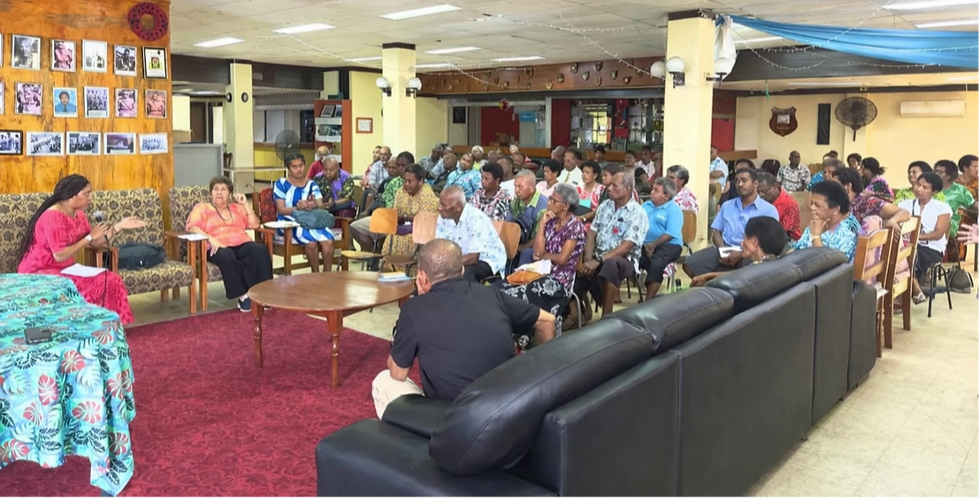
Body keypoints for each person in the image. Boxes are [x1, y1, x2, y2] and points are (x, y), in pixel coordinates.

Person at [371, 239, 556, 418]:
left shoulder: (415, 308)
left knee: (384, 380)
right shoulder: (493, 294)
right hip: (506, 410)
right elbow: (548, 321)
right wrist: (542, 379)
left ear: (422, 277)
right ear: (461, 269)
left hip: (455, 422)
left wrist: (416, 308)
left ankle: (419, 440)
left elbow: (398, 372)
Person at [17, 175, 145, 323]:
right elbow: (60, 255)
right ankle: (89, 325)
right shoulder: (52, 217)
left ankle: (109, 324)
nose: (90, 198)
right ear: (71, 195)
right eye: (87, 193)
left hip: (66, 268)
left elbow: (95, 243)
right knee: (92, 284)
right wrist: (89, 237)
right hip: (39, 270)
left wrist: (118, 227)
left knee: (110, 279)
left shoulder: (79, 214)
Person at [497, 183, 585, 346]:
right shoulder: (550, 222)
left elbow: (562, 259)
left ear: (565, 206)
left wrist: (544, 255)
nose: (548, 202)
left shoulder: (575, 226)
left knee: (522, 292)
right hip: (540, 272)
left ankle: (522, 341)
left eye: (553, 200)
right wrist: (543, 224)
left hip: (560, 280)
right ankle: (508, 338)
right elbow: (537, 251)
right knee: (504, 287)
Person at [185, 176, 273, 312]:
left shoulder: (237, 208)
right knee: (227, 256)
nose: (219, 192)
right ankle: (242, 295)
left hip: (241, 242)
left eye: (223, 189)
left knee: (260, 250)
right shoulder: (202, 208)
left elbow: (255, 224)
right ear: (210, 193)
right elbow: (192, 227)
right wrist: (211, 239)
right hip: (216, 247)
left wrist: (245, 205)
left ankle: (264, 293)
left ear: (230, 194)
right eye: (216, 189)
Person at [683, 168, 780, 278]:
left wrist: (740, 254)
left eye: (744, 180)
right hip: (725, 248)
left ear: (755, 183)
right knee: (691, 263)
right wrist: (723, 250)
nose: (740, 184)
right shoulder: (727, 205)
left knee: (749, 272)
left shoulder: (768, 210)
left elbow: (768, 241)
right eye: (737, 181)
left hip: (750, 253)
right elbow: (717, 232)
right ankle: (711, 288)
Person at [577, 172, 649, 317]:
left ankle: (607, 315)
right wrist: (588, 259)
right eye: (609, 185)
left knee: (611, 265)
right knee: (577, 262)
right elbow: (591, 233)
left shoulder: (638, 213)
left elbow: (627, 246)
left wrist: (598, 261)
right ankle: (578, 312)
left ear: (627, 189)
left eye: (614, 185)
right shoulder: (604, 206)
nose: (609, 188)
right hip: (598, 255)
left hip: (624, 259)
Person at [274, 154, 335, 272]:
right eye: (294, 167)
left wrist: (314, 205)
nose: (299, 169)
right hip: (289, 222)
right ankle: (315, 274)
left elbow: (321, 206)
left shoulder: (312, 184)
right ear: (288, 169)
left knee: (328, 241)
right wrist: (297, 208)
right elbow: (281, 209)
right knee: (311, 242)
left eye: (301, 165)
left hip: (311, 219)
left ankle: (328, 275)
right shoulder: (281, 184)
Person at [898, 172, 952, 304]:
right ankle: (914, 285)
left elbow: (938, 234)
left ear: (934, 191)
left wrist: (915, 237)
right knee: (897, 253)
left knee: (909, 254)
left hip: (930, 248)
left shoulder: (942, 208)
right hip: (906, 245)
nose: (919, 189)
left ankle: (903, 293)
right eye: (918, 185)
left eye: (925, 187)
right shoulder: (904, 204)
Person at [690, 217, 789, 286]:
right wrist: (709, 275)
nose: (742, 242)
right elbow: (740, 273)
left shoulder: (752, 276)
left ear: (754, 242)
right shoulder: (774, 264)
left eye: (745, 237)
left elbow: (742, 275)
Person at [435, 186, 507, 282]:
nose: (439, 207)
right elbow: (440, 247)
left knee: (464, 274)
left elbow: (473, 258)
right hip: (460, 258)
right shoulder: (443, 217)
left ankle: (470, 296)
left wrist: (447, 265)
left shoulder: (476, 218)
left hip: (487, 259)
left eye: (443, 205)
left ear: (457, 207)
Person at [350, 152, 413, 255]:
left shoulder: (418, 183)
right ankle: (376, 254)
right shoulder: (392, 183)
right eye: (398, 166)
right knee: (355, 226)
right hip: (389, 217)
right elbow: (384, 200)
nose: (400, 168)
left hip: (407, 221)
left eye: (403, 166)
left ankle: (380, 256)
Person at [792, 181, 861, 263]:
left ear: (835, 209)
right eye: (811, 203)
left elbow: (827, 266)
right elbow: (796, 248)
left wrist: (815, 237)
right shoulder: (819, 221)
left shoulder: (847, 232)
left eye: (817, 205)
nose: (812, 208)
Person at [832, 167, 910, 235]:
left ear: (848, 186)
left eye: (835, 185)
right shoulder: (838, 203)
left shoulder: (867, 202)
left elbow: (905, 213)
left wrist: (893, 221)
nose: (831, 188)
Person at [383, 164, 439, 260]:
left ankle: (409, 270)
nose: (406, 184)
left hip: (421, 233)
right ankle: (391, 270)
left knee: (405, 237)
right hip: (402, 227)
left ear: (420, 181)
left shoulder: (427, 194)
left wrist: (405, 216)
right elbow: (395, 212)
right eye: (405, 180)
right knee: (391, 234)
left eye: (410, 181)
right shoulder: (401, 192)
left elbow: (425, 220)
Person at [640, 178, 683, 300]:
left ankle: (648, 300)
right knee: (629, 259)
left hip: (670, 245)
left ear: (666, 195)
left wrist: (652, 246)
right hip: (645, 245)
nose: (651, 192)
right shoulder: (646, 205)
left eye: (656, 190)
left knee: (657, 262)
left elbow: (671, 233)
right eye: (652, 189)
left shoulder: (674, 210)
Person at [935, 159, 980, 262]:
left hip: (950, 224)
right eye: (935, 171)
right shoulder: (929, 187)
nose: (936, 174)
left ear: (949, 176)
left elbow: (973, 205)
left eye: (940, 172)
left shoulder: (960, 190)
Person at [512, 170, 550, 265]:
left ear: (532, 187)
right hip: (518, 241)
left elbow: (540, 237)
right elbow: (508, 226)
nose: (516, 190)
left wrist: (521, 247)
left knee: (525, 253)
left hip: (540, 245)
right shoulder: (515, 203)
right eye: (515, 186)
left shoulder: (544, 207)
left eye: (520, 187)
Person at [757, 171, 802, 240]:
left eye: (764, 191)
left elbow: (783, 232)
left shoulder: (789, 204)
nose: (760, 195)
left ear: (775, 187)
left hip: (787, 239)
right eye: (758, 192)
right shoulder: (759, 199)